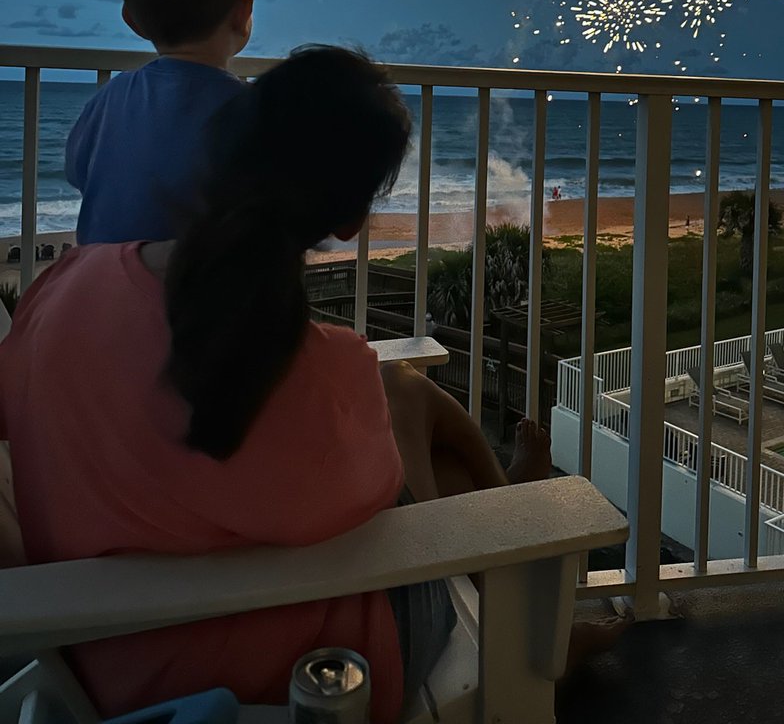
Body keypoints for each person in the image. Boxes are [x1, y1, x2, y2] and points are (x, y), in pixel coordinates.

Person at [1, 47, 619, 723]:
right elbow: (378, 512)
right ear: (349, 220)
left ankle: (517, 529)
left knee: (401, 401)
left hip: (90, 661)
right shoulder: (310, 372)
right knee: (412, 420)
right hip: (300, 674)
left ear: (224, 147)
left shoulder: (63, 289)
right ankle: (535, 610)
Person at [65, 0, 253, 245]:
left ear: (133, 21)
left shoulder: (109, 100)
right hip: (198, 296)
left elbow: (79, 172)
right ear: (243, 14)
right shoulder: (254, 112)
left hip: (102, 286)